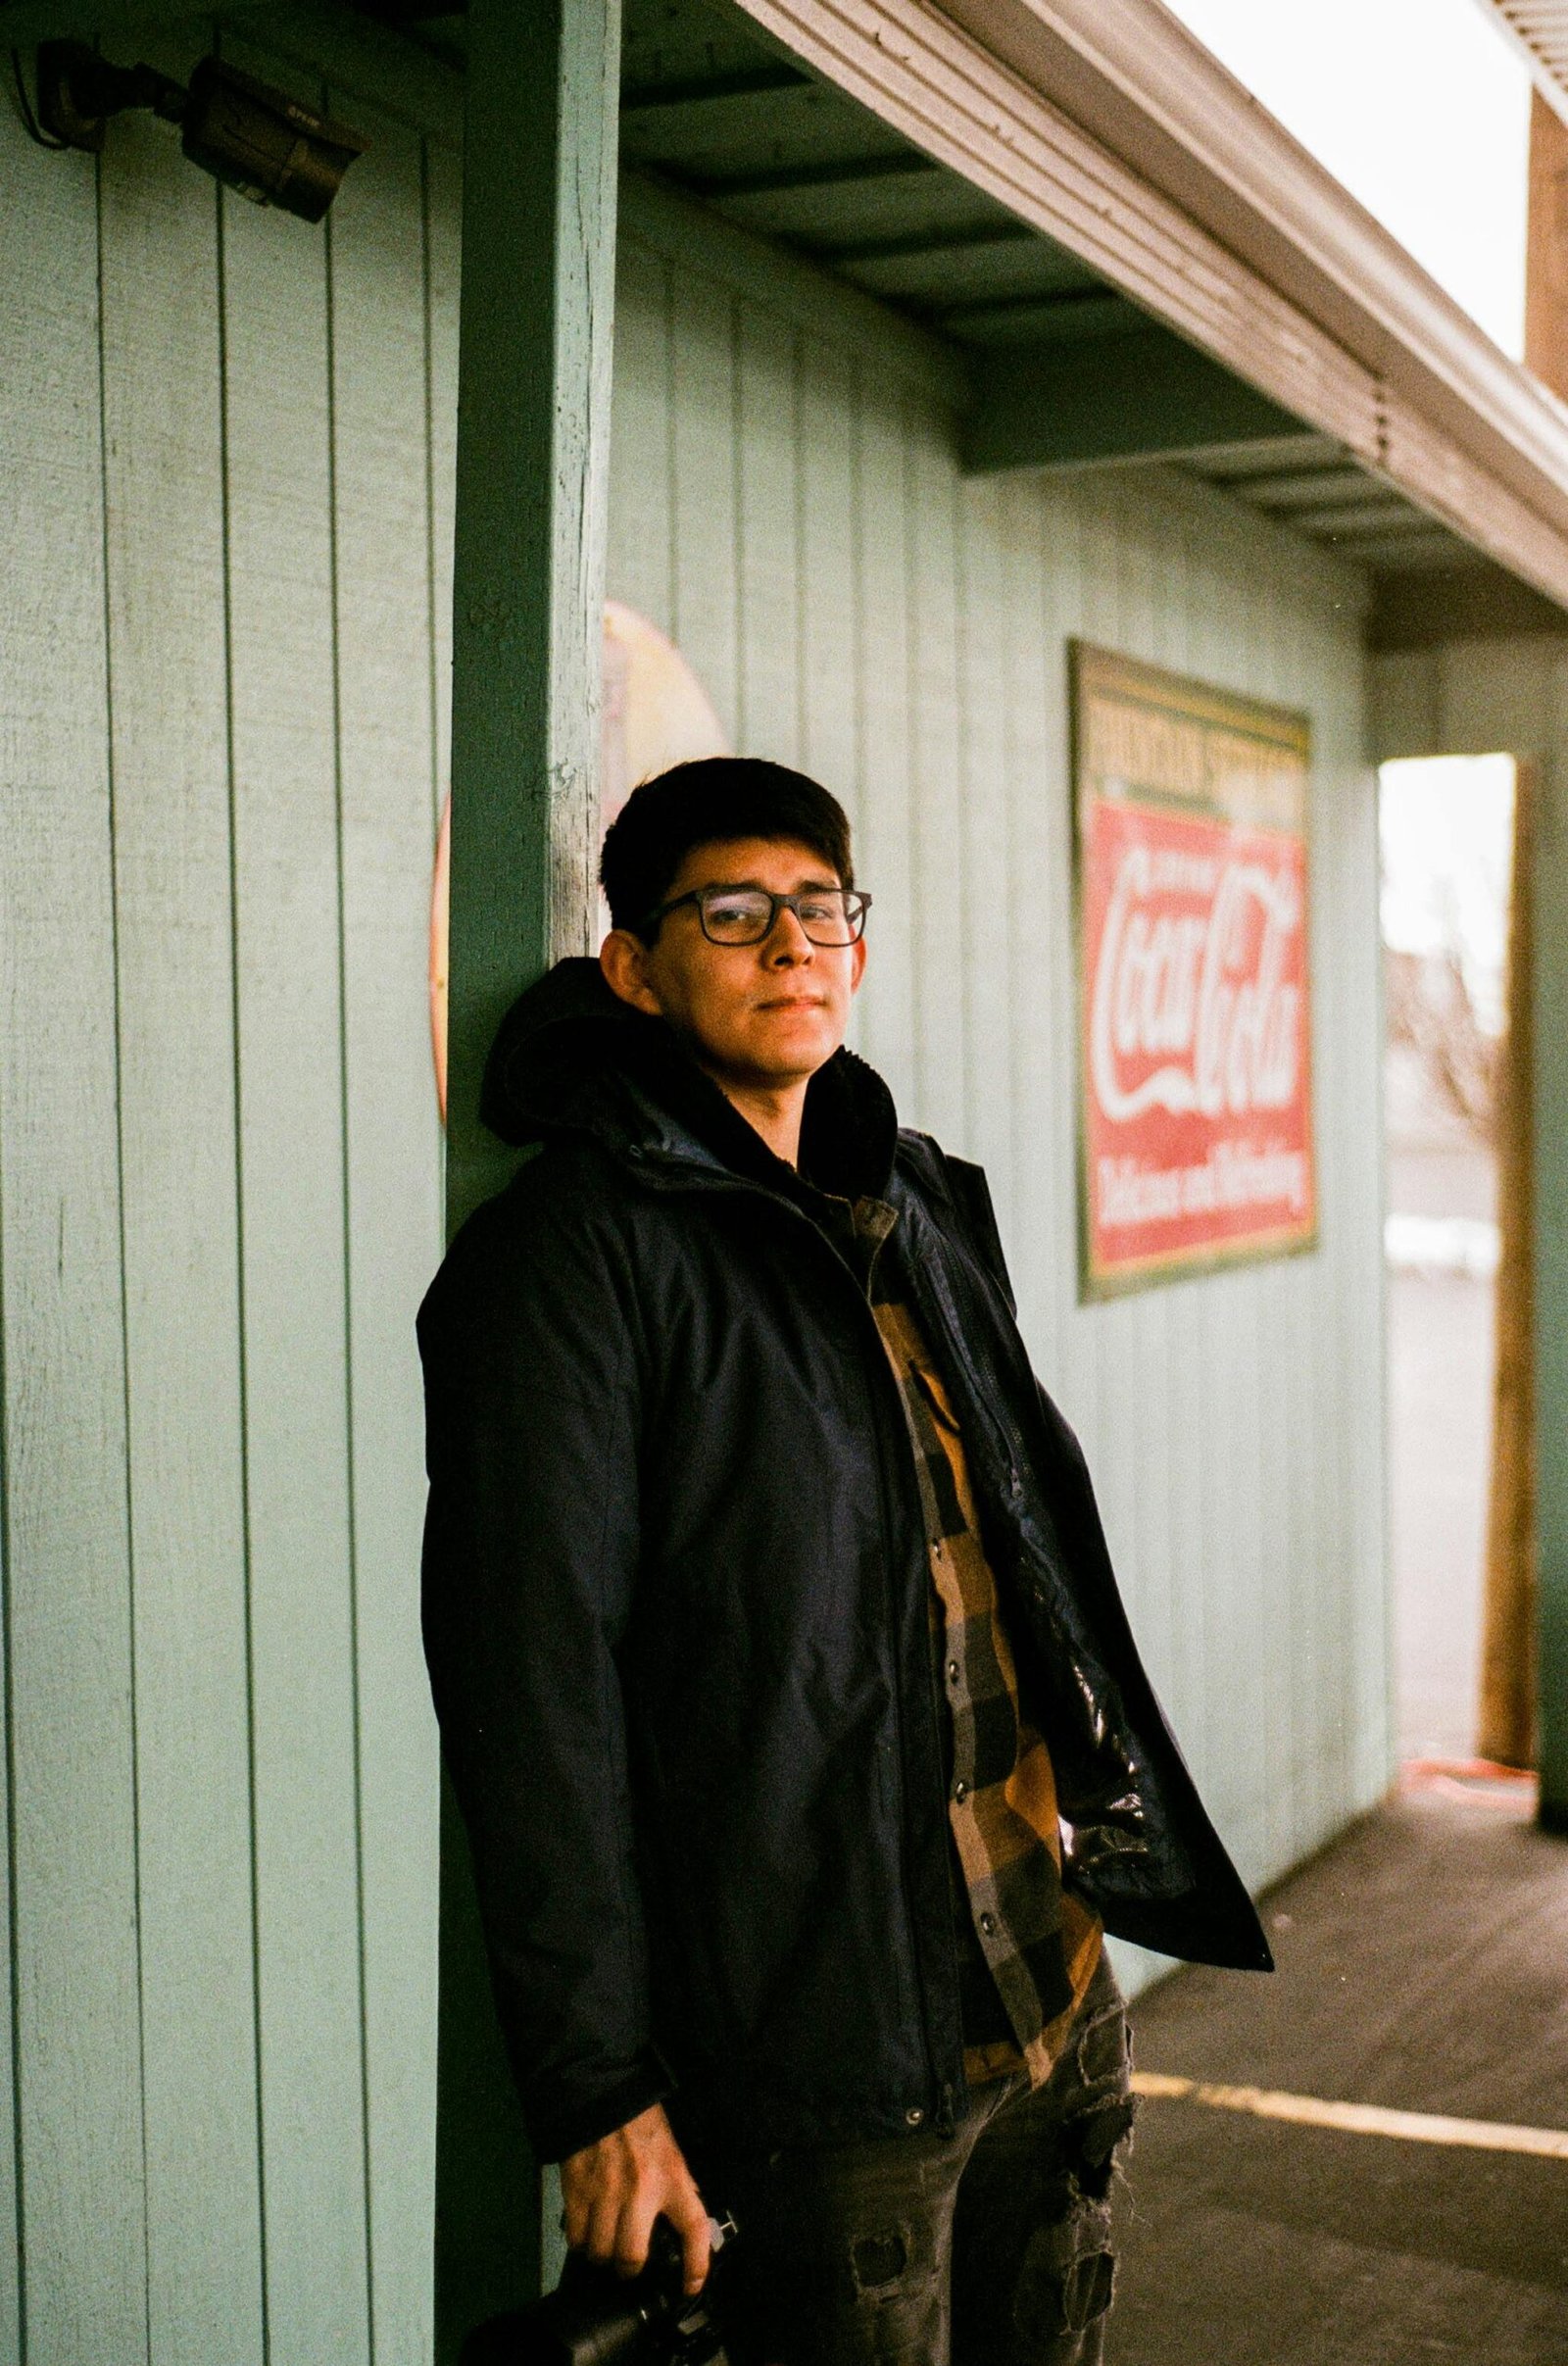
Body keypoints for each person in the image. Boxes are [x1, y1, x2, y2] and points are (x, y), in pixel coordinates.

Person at [418, 757, 1270, 2365]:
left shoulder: (920, 1203)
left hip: (1050, 1988)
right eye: (733, 914)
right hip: (823, 2064)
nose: (790, 944)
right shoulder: (568, 1262)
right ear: (636, 964)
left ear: (858, 948)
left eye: (820, 908)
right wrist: (600, 2092)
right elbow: (535, 1699)